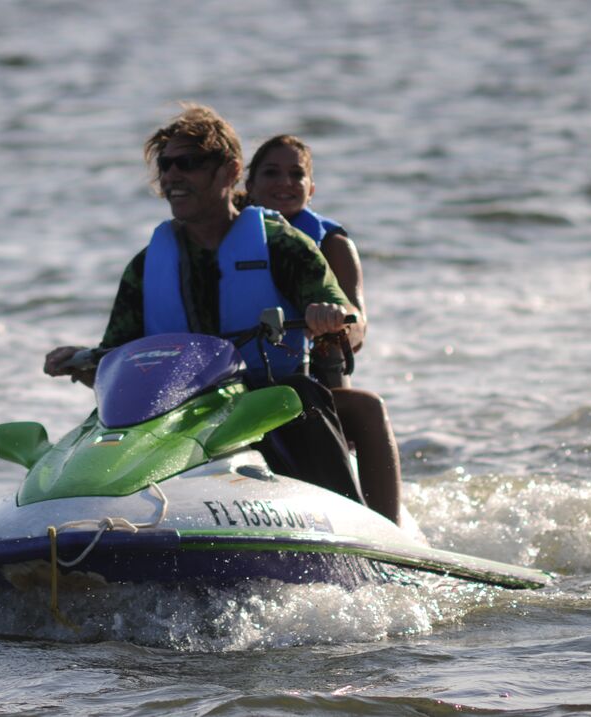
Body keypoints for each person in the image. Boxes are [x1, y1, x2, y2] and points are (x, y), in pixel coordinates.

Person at [44, 104, 380, 515]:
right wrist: (81, 360)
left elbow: (344, 315)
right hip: (173, 412)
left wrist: (331, 316)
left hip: (265, 402)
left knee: (305, 394)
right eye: (166, 166)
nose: (171, 177)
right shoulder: (145, 266)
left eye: (188, 163)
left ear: (229, 171)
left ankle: (353, 521)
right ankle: (76, 510)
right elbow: (118, 352)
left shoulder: (283, 246)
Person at [242, 134, 401, 524]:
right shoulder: (222, 237)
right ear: (248, 184)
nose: (285, 183)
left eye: (297, 175)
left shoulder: (330, 242)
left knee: (368, 407)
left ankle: (388, 533)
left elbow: (357, 325)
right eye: (271, 172)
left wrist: (335, 321)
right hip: (235, 384)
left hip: (314, 386)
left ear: (311, 190)